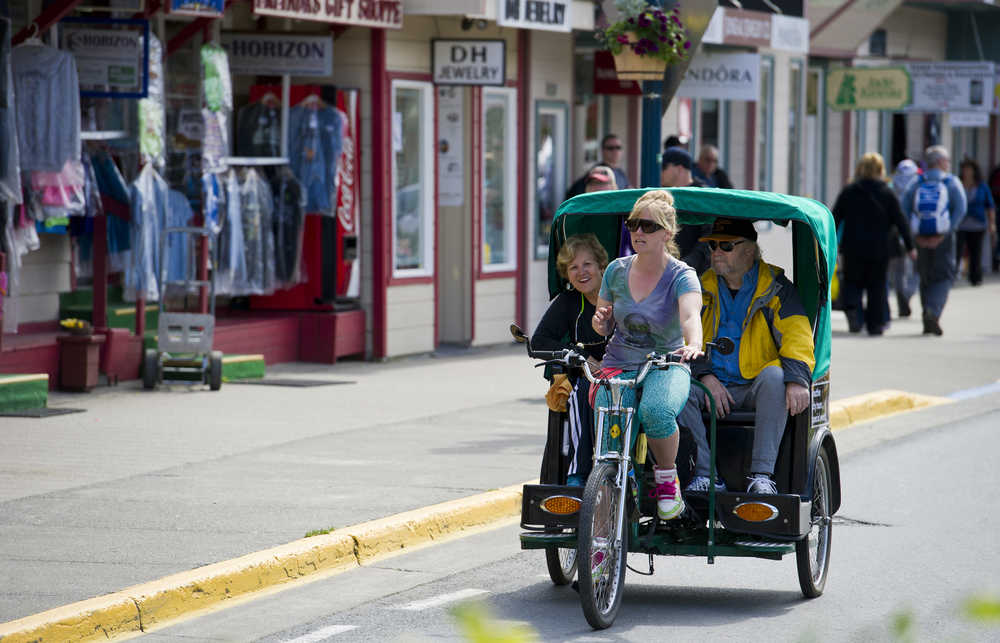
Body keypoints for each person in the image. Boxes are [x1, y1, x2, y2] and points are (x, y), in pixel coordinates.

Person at [678, 218, 815, 495]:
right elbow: (682, 337)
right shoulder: (699, 286)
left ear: (749, 250)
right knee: (677, 385)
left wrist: (797, 379)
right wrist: (705, 375)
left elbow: (797, 334)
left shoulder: (776, 287)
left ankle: (762, 476)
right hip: (709, 384)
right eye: (713, 245)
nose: (716, 252)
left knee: (776, 376)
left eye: (726, 246)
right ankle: (704, 474)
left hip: (755, 386)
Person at [591, 190, 704, 520]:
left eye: (648, 226)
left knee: (656, 410)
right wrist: (601, 321)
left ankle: (667, 483)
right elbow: (602, 326)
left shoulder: (681, 275)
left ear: (666, 234)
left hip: (666, 362)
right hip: (619, 361)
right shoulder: (615, 271)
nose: (638, 231)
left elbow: (690, 316)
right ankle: (608, 499)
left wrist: (693, 343)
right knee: (608, 417)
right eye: (632, 224)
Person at [532, 234, 610, 486]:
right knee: (581, 392)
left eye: (587, 264)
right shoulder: (568, 301)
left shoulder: (620, 294)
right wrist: (581, 356)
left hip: (624, 372)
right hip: (588, 378)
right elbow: (539, 341)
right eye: (573, 267)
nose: (581, 272)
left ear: (601, 265)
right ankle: (578, 473)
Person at [832, 153, 916, 335]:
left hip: (852, 247)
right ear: (880, 170)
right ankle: (875, 325)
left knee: (852, 282)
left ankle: (854, 311)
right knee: (876, 286)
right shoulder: (887, 192)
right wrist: (910, 247)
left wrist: (830, 243)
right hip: (879, 248)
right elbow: (901, 221)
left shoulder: (849, 191)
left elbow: (834, 217)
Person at [900, 145, 968, 336]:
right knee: (944, 276)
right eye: (947, 160)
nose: (948, 163)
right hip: (943, 238)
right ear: (940, 162)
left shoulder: (916, 182)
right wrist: (946, 232)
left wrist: (915, 233)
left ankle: (926, 314)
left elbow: (904, 207)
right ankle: (933, 311)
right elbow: (961, 208)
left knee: (925, 275)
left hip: (920, 236)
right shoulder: (951, 182)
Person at [661, 146, 711, 274]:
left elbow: (709, 236)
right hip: (667, 270)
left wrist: (687, 264)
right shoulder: (665, 196)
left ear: (679, 168)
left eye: (664, 167)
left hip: (695, 274)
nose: (660, 172)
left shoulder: (703, 195)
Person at [888, 159, 921, 317]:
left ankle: (901, 295)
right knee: (916, 269)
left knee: (897, 270)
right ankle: (906, 296)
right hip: (914, 232)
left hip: (894, 233)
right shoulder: (918, 185)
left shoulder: (891, 186)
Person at [956, 158, 996, 287]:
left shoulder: (982, 186)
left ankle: (975, 277)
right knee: (957, 250)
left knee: (976, 251)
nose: (967, 172)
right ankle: (953, 274)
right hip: (960, 224)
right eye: (965, 169)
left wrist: (992, 223)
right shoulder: (957, 184)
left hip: (977, 224)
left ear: (974, 171)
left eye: (969, 169)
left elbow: (990, 205)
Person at [565, 134, 630, 199]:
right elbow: (574, 195)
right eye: (610, 148)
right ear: (602, 150)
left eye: (618, 147)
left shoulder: (621, 174)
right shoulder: (598, 171)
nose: (615, 151)